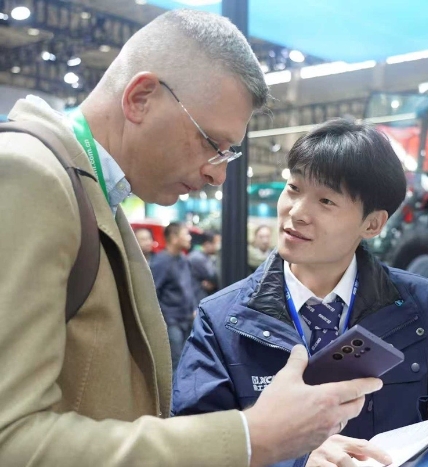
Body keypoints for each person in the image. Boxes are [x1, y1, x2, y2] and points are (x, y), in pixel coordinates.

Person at [0, 9, 382, 466]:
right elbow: (10, 438)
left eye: (228, 154)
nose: (218, 175)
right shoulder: (30, 175)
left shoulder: (92, 194)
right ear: (140, 98)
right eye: (211, 143)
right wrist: (253, 438)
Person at [172, 119, 428, 466]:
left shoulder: (423, 305)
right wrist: (296, 461)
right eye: (293, 188)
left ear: (372, 223)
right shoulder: (222, 318)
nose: (296, 212)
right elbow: (192, 446)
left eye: (325, 200)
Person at [150, 222, 198, 370]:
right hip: (171, 322)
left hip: (186, 320)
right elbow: (152, 292)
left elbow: (189, 287)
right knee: (174, 364)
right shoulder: (161, 261)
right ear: (174, 237)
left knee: (185, 362)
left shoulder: (183, 259)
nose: (189, 238)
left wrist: (193, 308)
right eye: (186, 234)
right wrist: (162, 319)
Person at [188, 230, 220, 302]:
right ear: (207, 244)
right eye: (216, 243)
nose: (217, 246)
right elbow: (215, 276)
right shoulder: (197, 257)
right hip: (197, 299)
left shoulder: (206, 256)